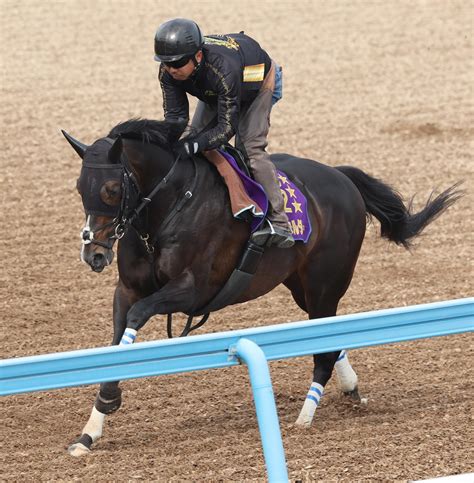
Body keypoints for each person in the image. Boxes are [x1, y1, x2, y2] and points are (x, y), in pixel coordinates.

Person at [154, 18, 294, 248]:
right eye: (165, 63)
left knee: (249, 148)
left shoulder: (222, 69)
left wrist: (197, 143)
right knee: (192, 140)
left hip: (257, 85)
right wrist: (168, 142)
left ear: (198, 56)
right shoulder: (169, 72)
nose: (171, 69)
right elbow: (176, 119)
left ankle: (279, 223)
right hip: (220, 90)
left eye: (177, 63)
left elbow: (226, 127)